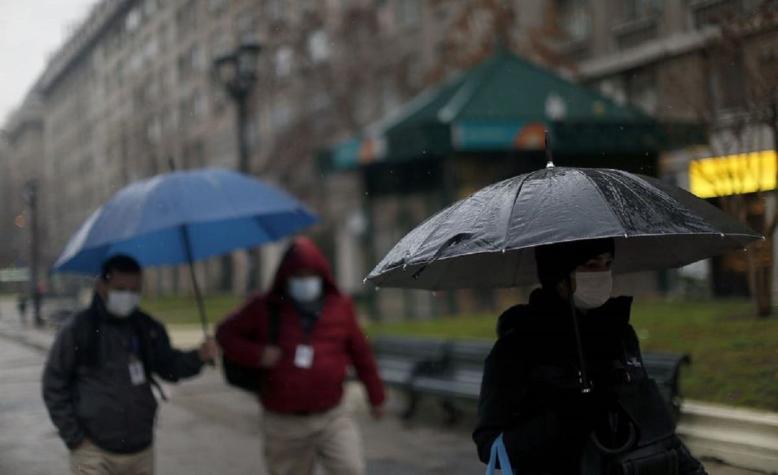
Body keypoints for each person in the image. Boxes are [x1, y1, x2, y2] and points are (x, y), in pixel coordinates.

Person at [473, 238, 707, 474]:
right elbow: (489, 446)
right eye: (591, 266)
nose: (603, 274)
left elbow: (652, 425)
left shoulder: (620, 334)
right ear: (559, 275)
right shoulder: (516, 348)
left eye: (607, 264)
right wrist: (564, 419)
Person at [216, 237, 385, 475]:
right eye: (299, 276)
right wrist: (257, 354)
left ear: (322, 275)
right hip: (283, 421)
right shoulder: (265, 307)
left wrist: (376, 397)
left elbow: (362, 354)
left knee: (350, 468)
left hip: (332, 415)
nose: (305, 282)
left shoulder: (340, 306)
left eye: (310, 275)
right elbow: (225, 334)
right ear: (286, 277)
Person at [42, 254, 218, 475]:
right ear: (102, 286)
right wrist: (74, 437)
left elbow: (170, 367)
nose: (128, 296)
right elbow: (53, 384)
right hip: (92, 452)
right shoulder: (78, 330)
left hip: (140, 450)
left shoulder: (147, 327)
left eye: (135, 290)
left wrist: (199, 356)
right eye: (120, 289)